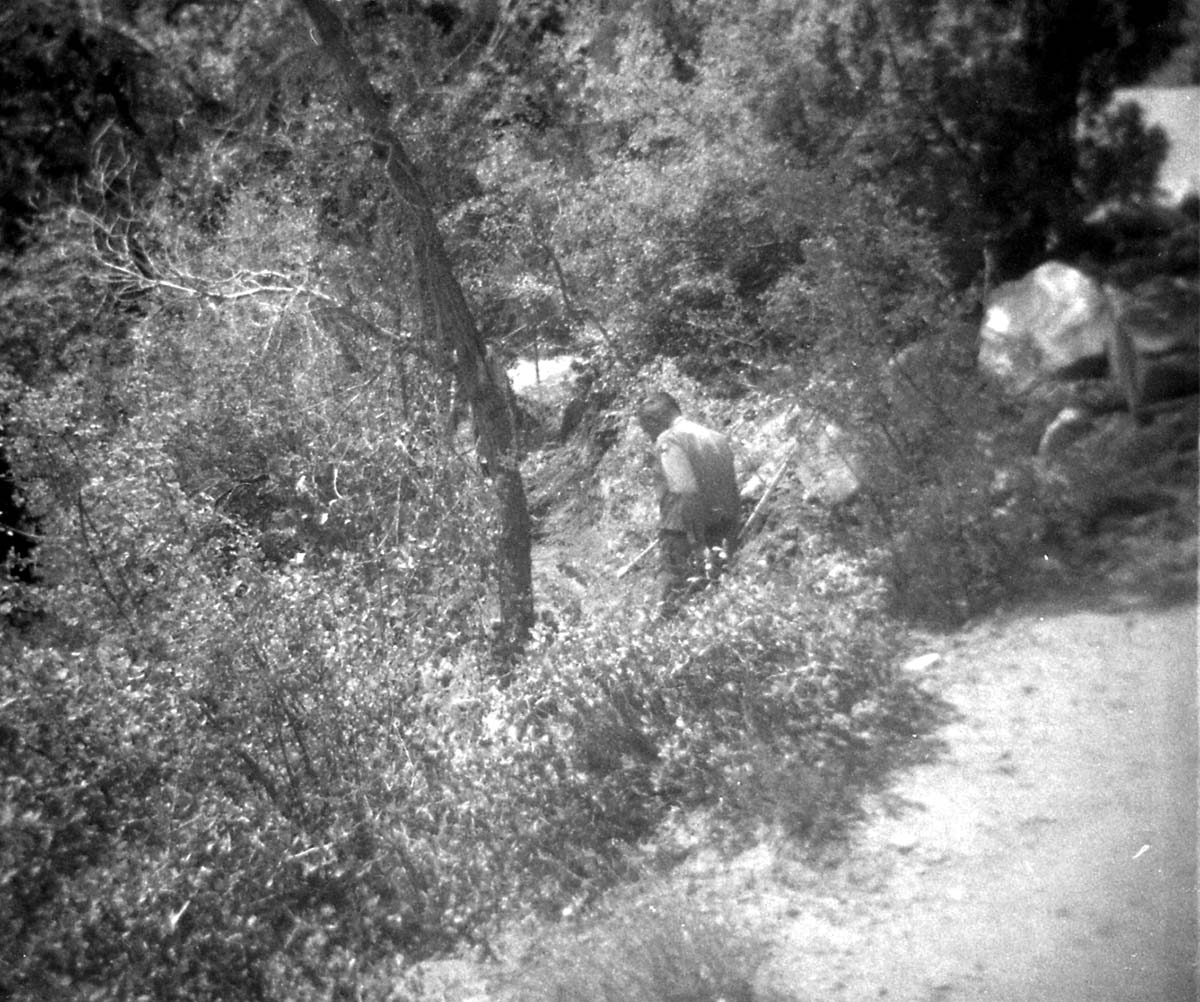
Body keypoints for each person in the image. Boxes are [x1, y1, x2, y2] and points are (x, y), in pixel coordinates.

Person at [636, 391, 739, 616]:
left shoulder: (669, 439)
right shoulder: (715, 436)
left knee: (671, 605)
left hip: (685, 534)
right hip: (724, 529)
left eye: (647, 430)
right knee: (714, 599)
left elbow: (686, 491)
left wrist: (695, 539)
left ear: (654, 421)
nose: (650, 437)